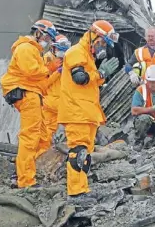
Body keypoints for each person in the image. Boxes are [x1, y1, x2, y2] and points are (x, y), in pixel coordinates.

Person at [57, 20, 119, 205]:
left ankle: (82, 190)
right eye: (101, 42)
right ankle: (75, 194)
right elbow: (80, 78)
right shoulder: (77, 52)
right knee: (78, 151)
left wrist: (100, 75)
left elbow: (89, 81)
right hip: (77, 111)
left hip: (86, 112)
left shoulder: (87, 56)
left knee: (85, 153)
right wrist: (100, 74)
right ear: (93, 35)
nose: (102, 47)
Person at [0, 19, 60, 188]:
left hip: (32, 95)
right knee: (30, 138)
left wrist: (51, 71)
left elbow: (40, 78)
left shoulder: (32, 50)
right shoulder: (26, 48)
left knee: (40, 137)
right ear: (38, 32)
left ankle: (25, 174)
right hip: (28, 95)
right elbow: (32, 71)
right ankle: (25, 181)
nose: (47, 42)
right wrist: (50, 68)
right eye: (47, 38)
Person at [37, 34, 72, 158]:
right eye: (60, 49)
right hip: (49, 102)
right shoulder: (47, 59)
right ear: (54, 48)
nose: (62, 53)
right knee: (45, 134)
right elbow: (43, 83)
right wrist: (57, 72)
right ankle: (39, 158)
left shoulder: (68, 60)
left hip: (61, 102)